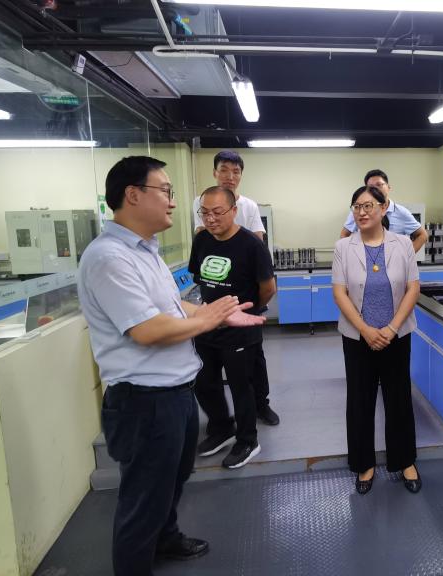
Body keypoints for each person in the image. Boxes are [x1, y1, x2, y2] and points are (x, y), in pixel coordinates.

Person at [78, 156, 264, 576]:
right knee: (143, 498)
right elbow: (147, 329)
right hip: (144, 401)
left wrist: (218, 314)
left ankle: (166, 537)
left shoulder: (146, 251)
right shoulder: (110, 258)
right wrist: (209, 319)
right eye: (165, 191)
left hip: (175, 393)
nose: (173, 202)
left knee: (171, 482)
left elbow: (173, 306)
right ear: (133, 195)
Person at [332, 185, 422, 495]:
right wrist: (366, 330)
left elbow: (412, 288)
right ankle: (364, 464)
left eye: (368, 206)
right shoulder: (343, 247)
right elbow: (340, 293)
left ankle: (405, 460)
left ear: (383, 209)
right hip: (358, 338)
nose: (362, 212)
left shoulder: (403, 244)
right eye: (357, 206)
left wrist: (392, 327)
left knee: (399, 399)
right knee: (359, 400)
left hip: (396, 335)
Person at [190, 185, 276, 469]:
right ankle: (221, 428)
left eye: (217, 212)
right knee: (205, 381)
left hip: (240, 329)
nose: (210, 218)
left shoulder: (251, 245)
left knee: (241, 387)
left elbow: (268, 288)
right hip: (207, 324)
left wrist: (249, 309)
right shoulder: (202, 240)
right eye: (205, 212)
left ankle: (248, 440)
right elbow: (200, 278)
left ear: (234, 211)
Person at [340, 169, 428, 253]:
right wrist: (351, 255)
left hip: (393, 261)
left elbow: (422, 235)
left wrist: (407, 256)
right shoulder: (359, 211)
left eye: (379, 185)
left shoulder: (402, 213)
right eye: (371, 187)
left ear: (388, 187)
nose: (375, 190)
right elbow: (344, 234)